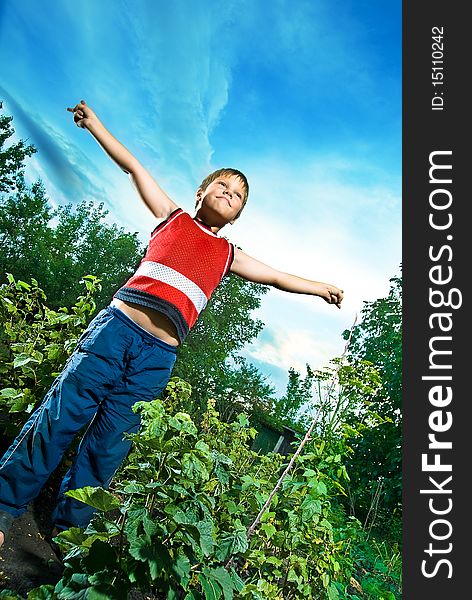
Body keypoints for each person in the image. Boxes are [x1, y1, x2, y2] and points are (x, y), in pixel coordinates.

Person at [0, 100, 343, 548]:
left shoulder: (228, 255)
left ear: (238, 215)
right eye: (221, 185)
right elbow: (133, 168)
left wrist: (320, 287)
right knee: (59, 418)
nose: (229, 193)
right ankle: (5, 506)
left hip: (157, 358)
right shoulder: (173, 216)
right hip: (115, 332)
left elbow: (278, 277)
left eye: (237, 195)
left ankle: (69, 536)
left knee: (108, 447)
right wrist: (95, 125)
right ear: (200, 193)